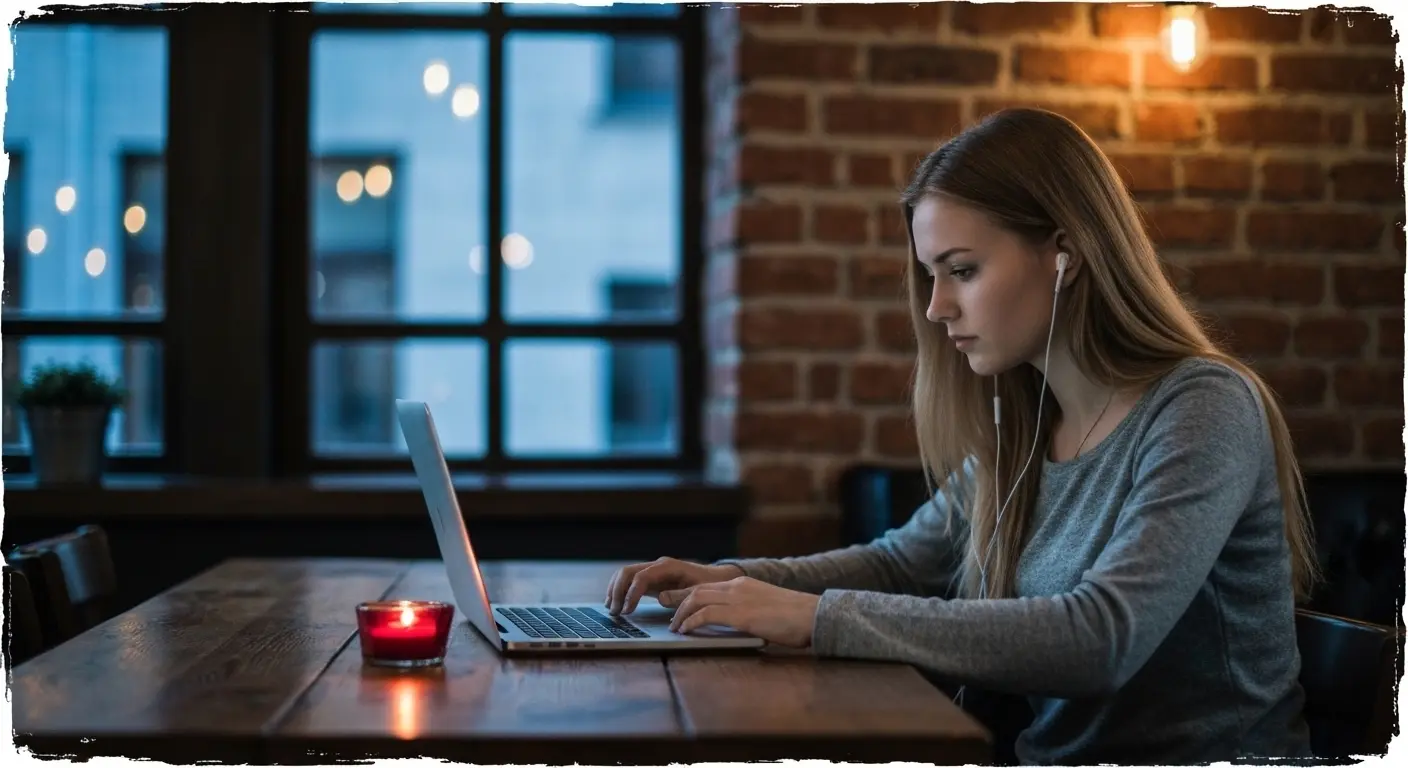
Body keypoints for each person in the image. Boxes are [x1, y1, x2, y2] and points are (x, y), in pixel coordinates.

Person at [603, 107, 1321, 765]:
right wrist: (731, 580)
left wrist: (817, 618)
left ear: (1066, 254)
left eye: (963, 271)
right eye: (931, 276)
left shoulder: (1204, 407)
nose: (938, 307)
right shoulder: (1029, 427)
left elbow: (1102, 638)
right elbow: (898, 565)